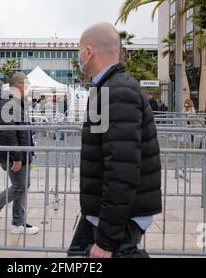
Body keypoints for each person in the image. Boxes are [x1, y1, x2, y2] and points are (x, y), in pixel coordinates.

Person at [68, 23, 162, 258]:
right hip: (106, 211)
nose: (79, 56)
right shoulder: (105, 89)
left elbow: (122, 169)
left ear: (88, 52)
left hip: (118, 216)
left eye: (79, 51)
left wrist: (106, 241)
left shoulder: (118, 92)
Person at [0, 73, 39, 235]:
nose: (27, 87)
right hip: (14, 154)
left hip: (22, 152)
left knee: (23, 186)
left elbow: (20, 129)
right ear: (19, 84)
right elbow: (8, 133)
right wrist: (17, 157)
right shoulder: (8, 101)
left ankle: (18, 223)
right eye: (26, 84)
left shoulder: (15, 100)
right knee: (20, 186)